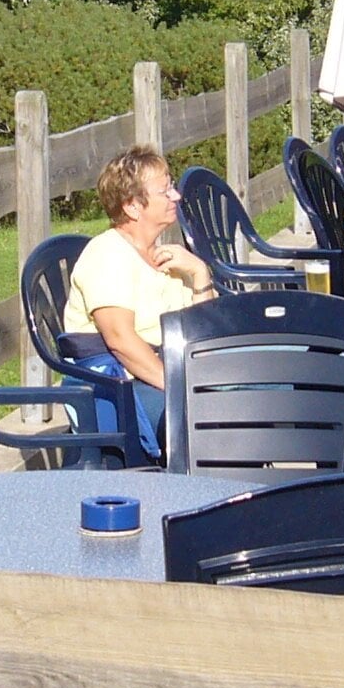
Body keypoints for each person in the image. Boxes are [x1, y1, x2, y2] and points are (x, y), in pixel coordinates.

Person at [61, 146, 216, 459]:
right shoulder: (107, 255)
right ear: (132, 206)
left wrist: (200, 273)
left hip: (178, 368)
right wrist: (185, 386)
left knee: (281, 380)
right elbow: (121, 341)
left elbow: (203, 329)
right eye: (166, 190)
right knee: (231, 408)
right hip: (126, 386)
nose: (176, 196)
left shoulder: (169, 257)